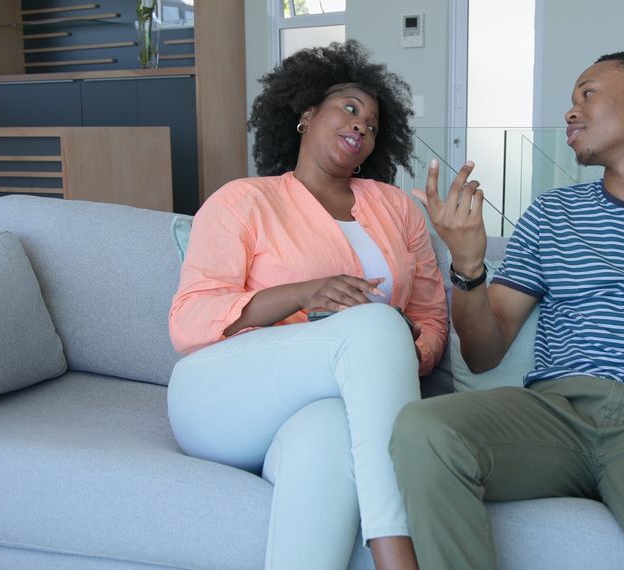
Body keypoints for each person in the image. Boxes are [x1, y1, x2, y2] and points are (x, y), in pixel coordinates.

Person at [391, 51, 624, 570]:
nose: (569, 112)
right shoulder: (551, 213)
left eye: (586, 94)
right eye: (570, 101)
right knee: (423, 429)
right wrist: (468, 265)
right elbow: (482, 353)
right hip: (553, 414)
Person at [167, 40, 446, 570]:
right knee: (374, 324)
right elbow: (189, 322)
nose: (362, 124)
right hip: (222, 397)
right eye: (349, 107)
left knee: (325, 440)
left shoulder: (398, 209)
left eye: (372, 121)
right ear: (306, 115)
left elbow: (431, 320)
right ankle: (397, 551)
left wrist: (412, 347)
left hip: (328, 408)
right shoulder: (243, 200)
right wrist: (303, 294)